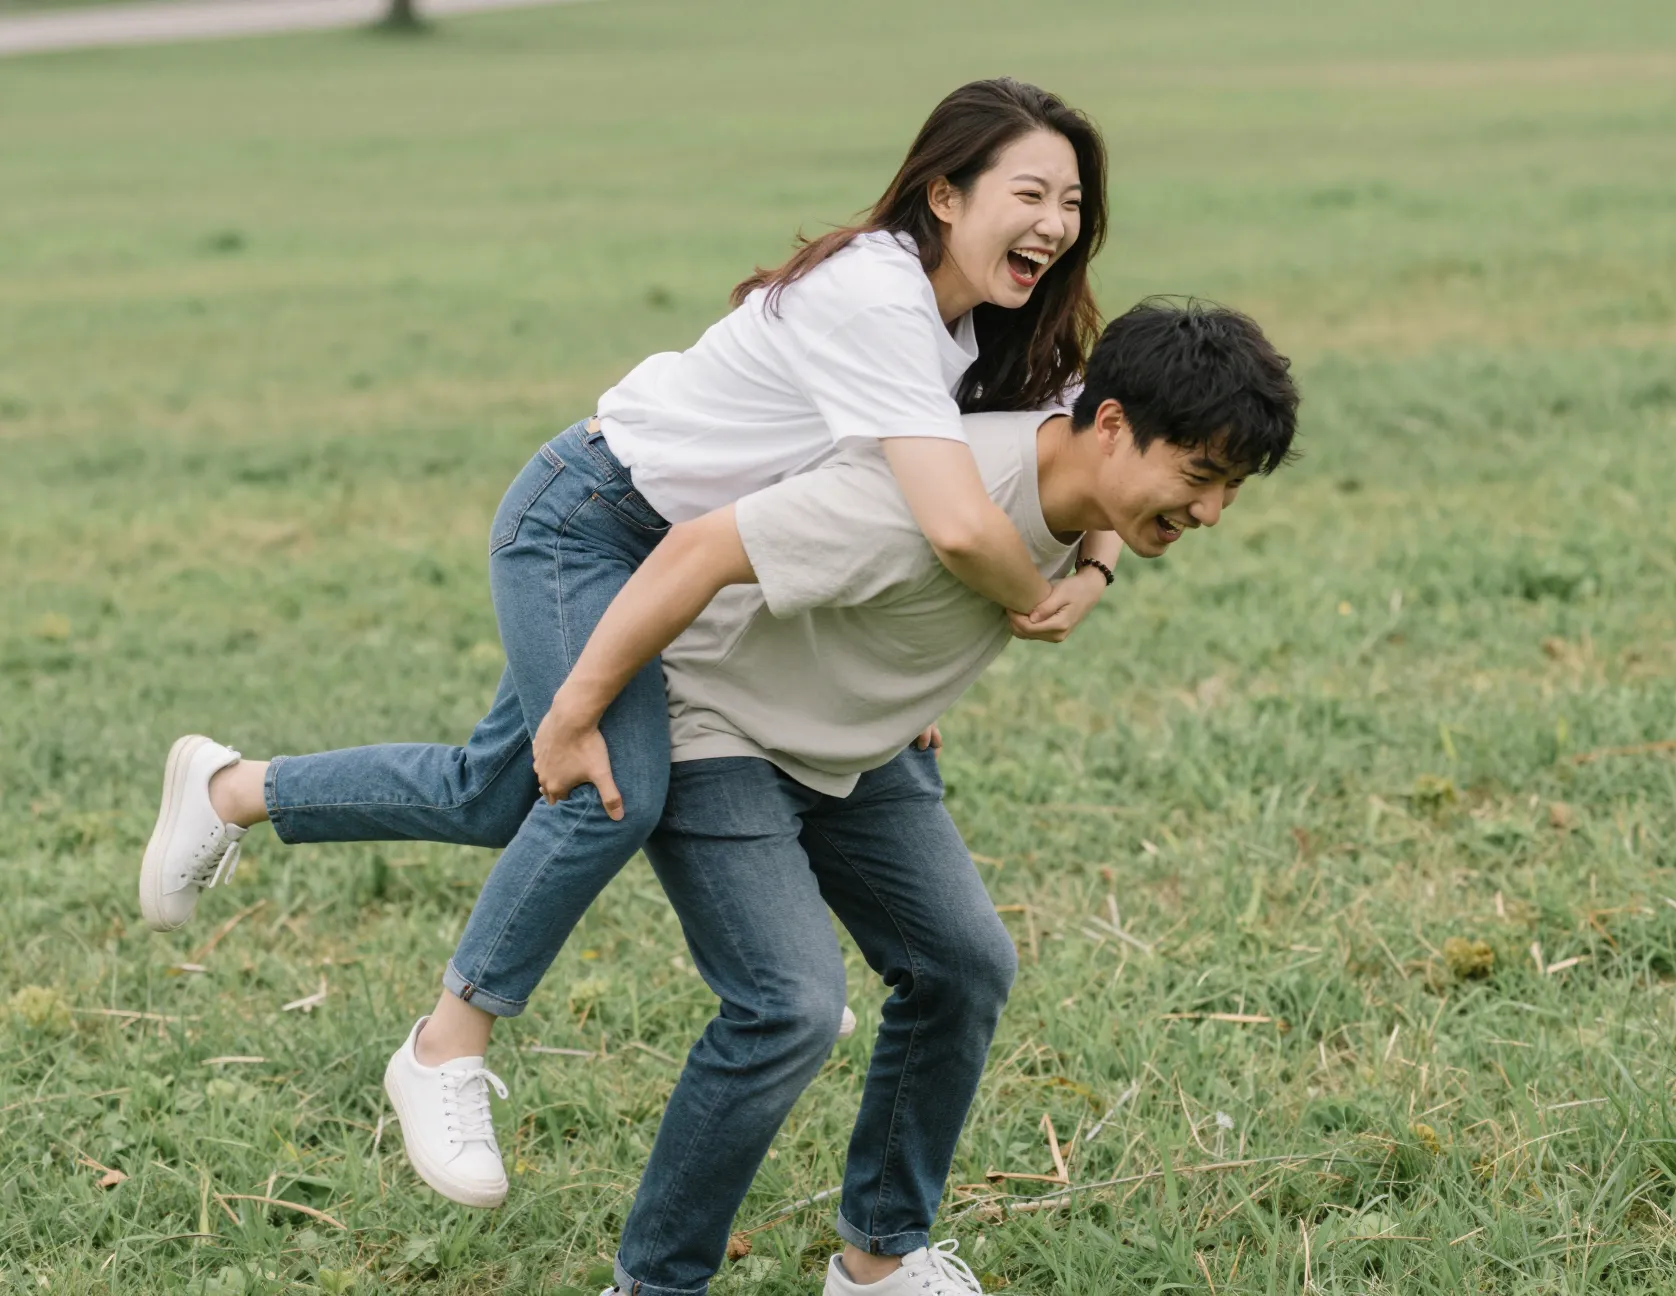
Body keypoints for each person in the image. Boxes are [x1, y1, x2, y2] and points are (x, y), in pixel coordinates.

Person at [135, 77, 1117, 1208]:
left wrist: (1089, 562)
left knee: (494, 791)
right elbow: (952, 522)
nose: (1054, 222)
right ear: (944, 195)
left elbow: (1100, 437)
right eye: (1029, 192)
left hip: (699, 569)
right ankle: (445, 1047)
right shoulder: (877, 297)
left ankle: (231, 789)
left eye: (1073, 202)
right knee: (611, 783)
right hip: (592, 523)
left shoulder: (981, 326)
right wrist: (1029, 603)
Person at [528, 300, 1301, 1296]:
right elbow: (695, 553)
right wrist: (578, 711)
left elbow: (1096, 458)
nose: (1209, 514)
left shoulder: (1092, 479)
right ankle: (654, 1286)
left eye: (1230, 489)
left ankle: (879, 1259)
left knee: (963, 963)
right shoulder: (936, 489)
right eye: (1199, 479)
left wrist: (1104, 561)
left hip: (857, 737)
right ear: (1106, 425)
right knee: (792, 1008)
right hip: (723, 719)